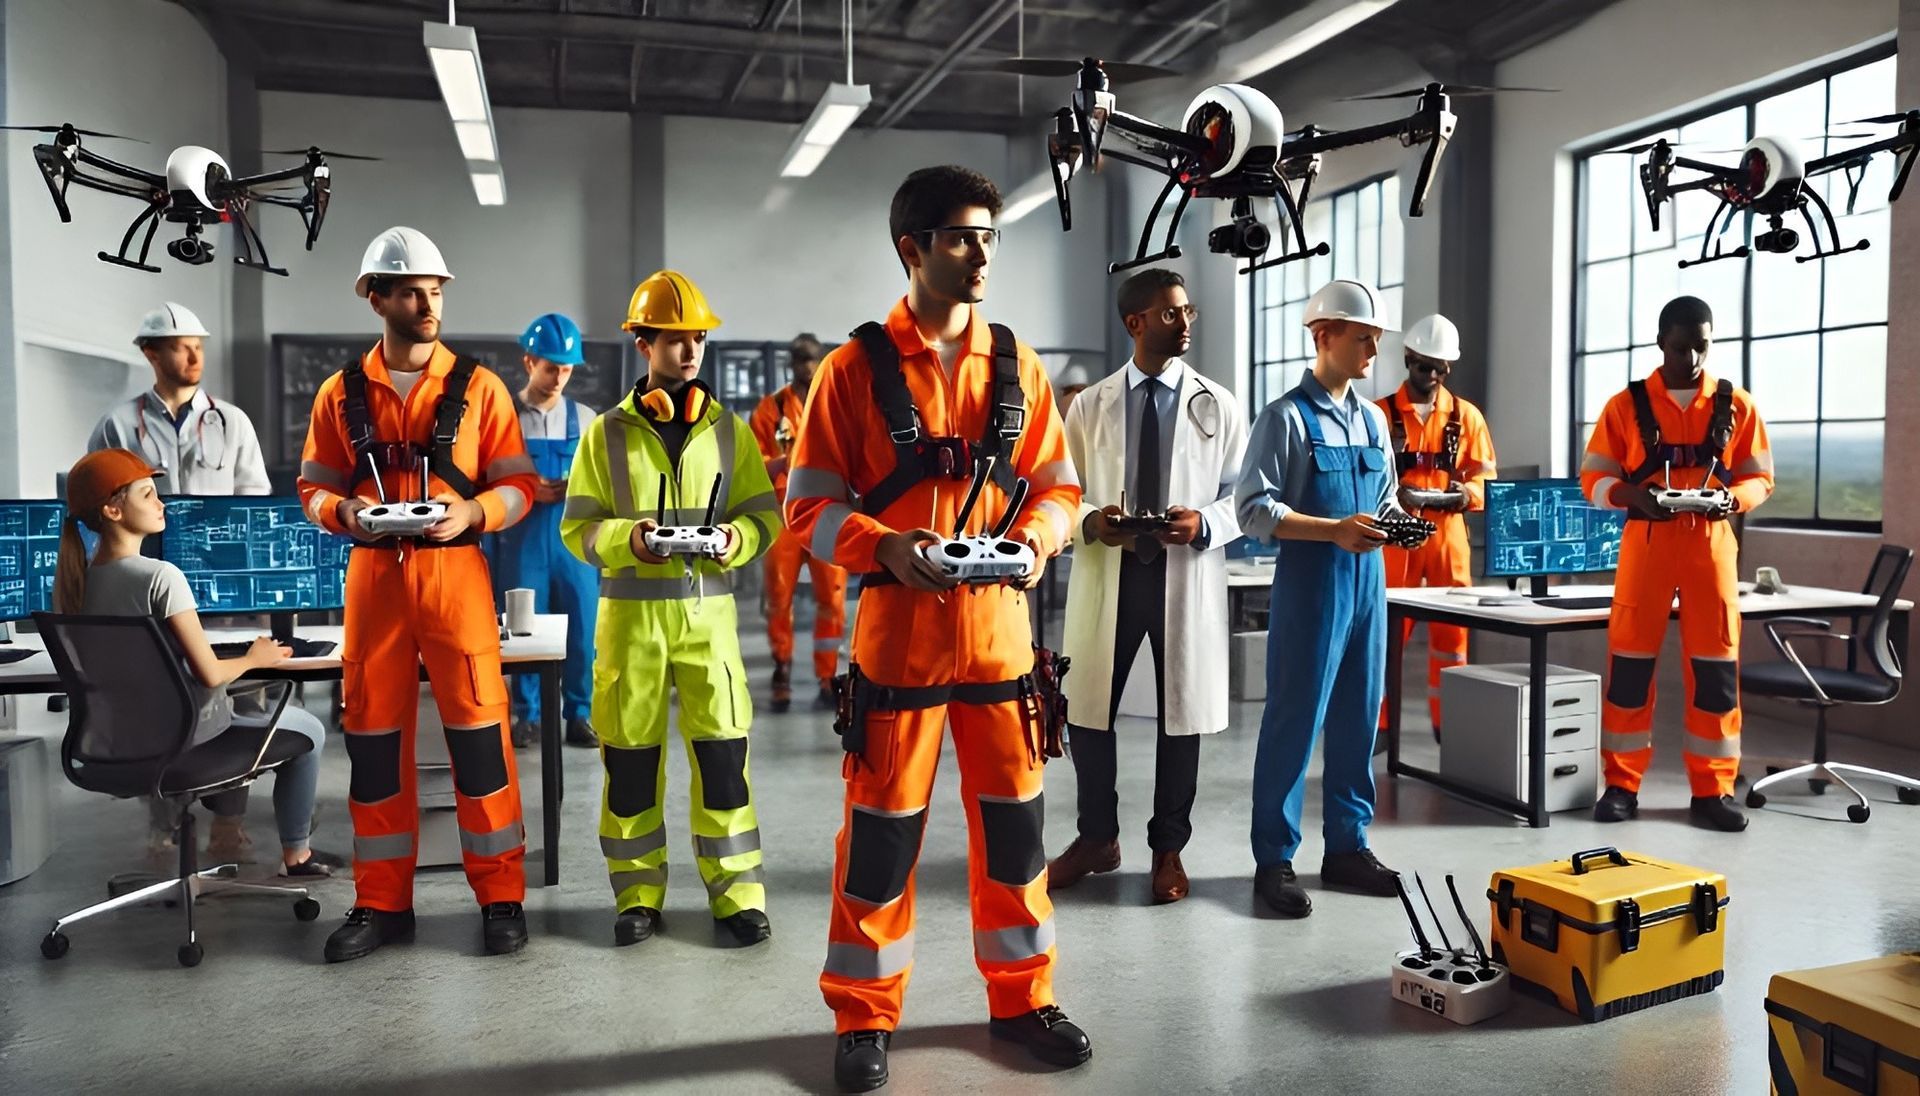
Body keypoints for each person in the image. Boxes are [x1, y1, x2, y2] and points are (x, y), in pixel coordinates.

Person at [785, 165, 1089, 1092]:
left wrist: (1035, 543)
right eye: (963, 236)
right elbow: (808, 508)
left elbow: (1059, 489)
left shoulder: (1019, 366)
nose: (982, 252)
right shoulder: (850, 372)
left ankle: (1023, 997)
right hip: (898, 643)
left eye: (991, 236)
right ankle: (864, 1016)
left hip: (1002, 638)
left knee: (1017, 836)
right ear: (912, 248)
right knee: (879, 840)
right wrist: (885, 547)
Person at [296, 226, 537, 961]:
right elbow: (312, 488)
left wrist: (474, 512)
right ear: (376, 297)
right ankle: (380, 903)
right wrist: (347, 515)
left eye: (434, 291)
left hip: (456, 575)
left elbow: (519, 487)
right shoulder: (340, 394)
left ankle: (501, 898)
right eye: (410, 292)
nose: (427, 303)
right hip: (374, 580)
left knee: (480, 742)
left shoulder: (482, 388)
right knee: (373, 746)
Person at [559, 269, 781, 949]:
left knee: (723, 765)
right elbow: (580, 529)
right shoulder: (606, 435)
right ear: (643, 345)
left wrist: (732, 539)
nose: (689, 352)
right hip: (630, 633)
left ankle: (737, 896)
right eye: (674, 340)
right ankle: (637, 896)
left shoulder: (731, 432)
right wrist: (637, 539)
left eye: (698, 340)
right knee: (629, 769)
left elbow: (764, 518)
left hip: (709, 631)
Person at [1047, 268, 1247, 906]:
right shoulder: (1090, 405)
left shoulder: (1218, 404)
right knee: (1087, 708)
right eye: (1170, 314)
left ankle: (1169, 849)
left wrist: (1205, 521)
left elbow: (1245, 496)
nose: (1185, 323)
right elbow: (1063, 492)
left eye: (1188, 311)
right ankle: (1096, 838)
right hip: (1112, 572)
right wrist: (1090, 522)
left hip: (1182, 574)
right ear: (1134, 323)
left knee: (1179, 713)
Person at [55, 449, 329, 877]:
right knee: (308, 727)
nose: (161, 504)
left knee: (248, 710)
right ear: (112, 510)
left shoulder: (73, 585)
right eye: (147, 495)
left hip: (113, 744)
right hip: (184, 742)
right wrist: (255, 656)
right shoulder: (160, 577)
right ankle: (297, 856)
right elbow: (209, 673)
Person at [1235, 279, 1406, 919]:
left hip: (1368, 584)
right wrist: (1332, 530)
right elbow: (1253, 509)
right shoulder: (1285, 418)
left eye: (1376, 339)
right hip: (1312, 583)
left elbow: (1383, 495)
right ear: (1322, 335)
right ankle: (1274, 860)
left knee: (1361, 718)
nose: (1372, 350)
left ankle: (1347, 847)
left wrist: (1395, 521)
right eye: (1363, 337)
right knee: (1294, 720)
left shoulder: (1372, 418)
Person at [87, 301, 277, 866]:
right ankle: (163, 822)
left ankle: (228, 824)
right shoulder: (118, 426)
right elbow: (99, 504)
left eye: (199, 344)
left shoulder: (232, 421)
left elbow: (254, 503)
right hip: (150, 587)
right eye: (179, 345)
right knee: (157, 697)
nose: (195, 355)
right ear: (150, 353)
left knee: (244, 697)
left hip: (225, 589)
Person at [1580, 295, 1774, 832]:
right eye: (1682, 345)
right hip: (1647, 543)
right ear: (1661, 340)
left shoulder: (1737, 406)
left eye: (1701, 346)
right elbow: (1591, 478)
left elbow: (1760, 477)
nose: (1691, 357)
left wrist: (1735, 501)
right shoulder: (1625, 406)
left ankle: (1713, 790)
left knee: (1715, 669)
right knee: (1630, 665)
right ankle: (1620, 785)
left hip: (1711, 545)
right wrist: (1630, 496)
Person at [1376, 313, 1496, 740]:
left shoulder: (1467, 417)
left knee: (1452, 640)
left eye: (1441, 368)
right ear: (1408, 357)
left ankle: (1451, 726)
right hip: (1395, 539)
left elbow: (1485, 479)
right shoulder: (1379, 415)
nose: (1432, 374)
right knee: (1386, 636)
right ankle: (1380, 729)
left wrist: (1460, 496)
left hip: (1448, 537)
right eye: (1424, 365)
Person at [493, 312, 599, 750]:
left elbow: (605, 484)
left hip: (573, 542)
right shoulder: (504, 418)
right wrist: (524, 488)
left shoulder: (589, 420)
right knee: (524, 630)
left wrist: (578, 490)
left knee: (582, 628)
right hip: (522, 539)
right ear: (528, 362)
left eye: (567, 368)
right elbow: (485, 477)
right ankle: (528, 716)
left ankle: (579, 714)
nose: (558, 377)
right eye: (550, 367)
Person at [749, 333, 847, 712]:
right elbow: (750, 466)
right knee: (778, 597)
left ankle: (827, 677)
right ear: (791, 364)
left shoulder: (836, 406)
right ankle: (782, 670)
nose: (806, 365)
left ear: (821, 362)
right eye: (799, 359)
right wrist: (779, 466)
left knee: (832, 598)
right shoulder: (770, 409)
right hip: (783, 517)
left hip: (826, 514)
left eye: (812, 359)